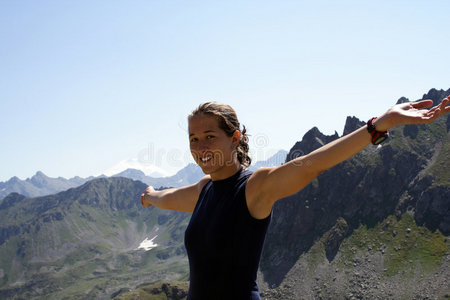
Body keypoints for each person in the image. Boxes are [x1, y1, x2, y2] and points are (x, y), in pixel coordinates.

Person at [141, 97, 450, 300]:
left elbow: (314, 163)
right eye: (194, 139)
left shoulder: (255, 187)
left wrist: (378, 126)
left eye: (210, 136)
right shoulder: (203, 189)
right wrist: (152, 195)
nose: (201, 147)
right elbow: (169, 198)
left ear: (235, 138)